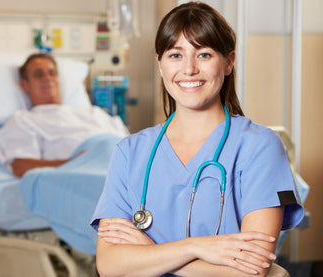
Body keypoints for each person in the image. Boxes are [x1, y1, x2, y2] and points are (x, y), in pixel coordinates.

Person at [90, 2, 304, 277]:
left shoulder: (259, 146)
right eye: (175, 55)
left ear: (228, 63)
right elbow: (110, 265)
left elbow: (252, 271)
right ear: (160, 63)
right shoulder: (130, 152)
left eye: (204, 54)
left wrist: (151, 251)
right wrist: (196, 248)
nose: (188, 69)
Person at [0, 53, 129, 177]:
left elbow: (134, 148)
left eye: (52, 73)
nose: (47, 78)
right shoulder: (24, 120)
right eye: (39, 74)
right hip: (88, 173)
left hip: (124, 163)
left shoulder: (94, 113)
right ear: (25, 85)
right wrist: (76, 163)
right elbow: (20, 167)